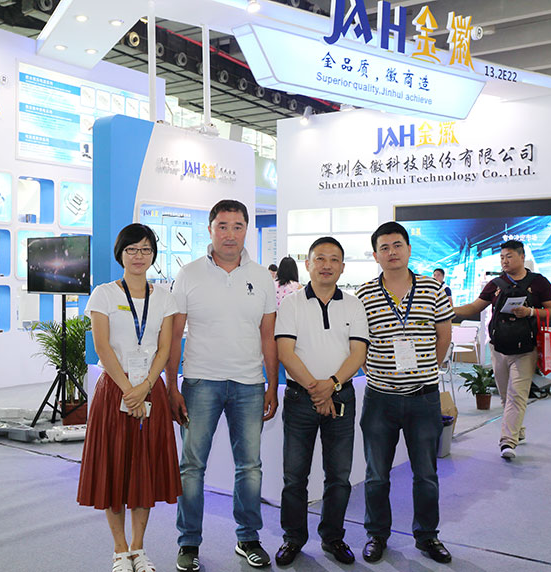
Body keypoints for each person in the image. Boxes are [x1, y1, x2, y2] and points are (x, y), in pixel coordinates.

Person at [166, 199, 278, 571]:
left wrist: (271, 385)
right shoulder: (189, 274)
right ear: (210, 229)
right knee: (191, 467)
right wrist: (171, 386)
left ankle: (248, 538)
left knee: (250, 467)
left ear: (246, 229)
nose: (230, 234)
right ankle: (188, 543)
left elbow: (268, 336)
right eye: (223, 226)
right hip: (200, 382)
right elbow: (174, 335)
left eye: (238, 226)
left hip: (249, 384)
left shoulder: (262, 276)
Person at [77, 223, 181, 572]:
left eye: (146, 249)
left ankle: (138, 548)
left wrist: (145, 386)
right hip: (115, 390)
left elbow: (165, 348)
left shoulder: (164, 296)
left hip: (150, 391)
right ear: (120, 254)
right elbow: (102, 347)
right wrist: (128, 390)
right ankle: (119, 550)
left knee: (144, 469)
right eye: (132, 249)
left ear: (153, 255)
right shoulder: (104, 294)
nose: (139, 256)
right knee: (114, 469)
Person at [355, 222, 454, 565]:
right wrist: (375, 371)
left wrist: (425, 370)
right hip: (379, 398)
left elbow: (444, 335)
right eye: (384, 247)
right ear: (375, 255)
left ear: (409, 249)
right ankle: (376, 535)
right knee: (376, 474)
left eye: (397, 245)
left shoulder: (433, 288)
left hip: (423, 397)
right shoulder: (364, 295)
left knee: (425, 473)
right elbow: (359, 343)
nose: (392, 252)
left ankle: (427, 536)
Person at [274, 237, 369, 566]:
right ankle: (293, 538)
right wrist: (318, 390)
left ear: (342, 267)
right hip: (300, 398)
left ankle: (333, 537)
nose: (326, 265)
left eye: (334, 259)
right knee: (294, 477)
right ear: (308, 264)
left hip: (341, 397)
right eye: (320, 258)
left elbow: (358, 353)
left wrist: (332, 385)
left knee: (339, 476)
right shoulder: (292, 303)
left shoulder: (353, 305)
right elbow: (285, 352)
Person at [454, 239, 551, 460]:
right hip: (498, 348)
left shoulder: (539, 283)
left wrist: (529, 312)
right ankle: (517, 430)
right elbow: (475, 306)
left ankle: (507, 442)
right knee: (504, 396)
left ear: (522, 257)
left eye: (509, 256)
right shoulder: (495, 284)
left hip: (525, 350)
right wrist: (450, 310)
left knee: (517, 395)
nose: (504, 261)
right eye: (502, 257)